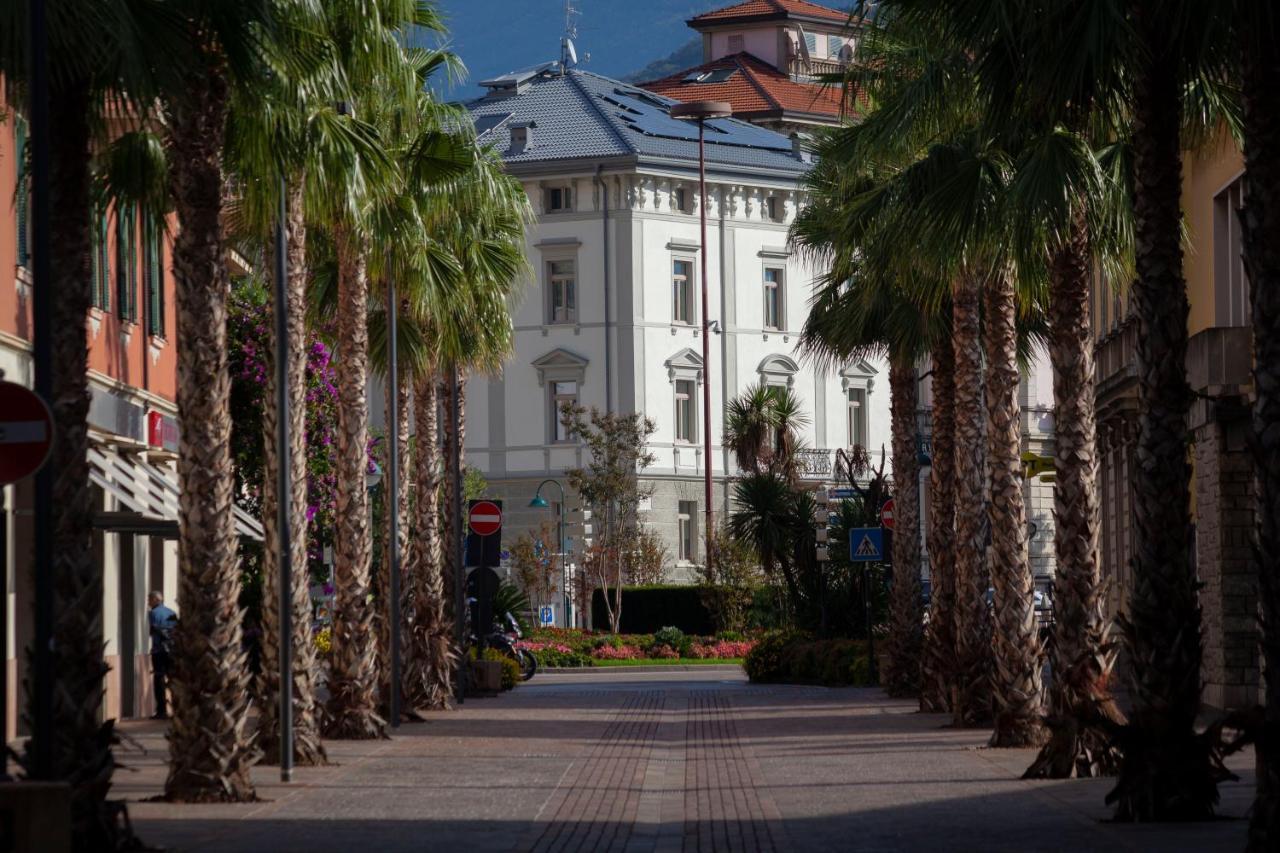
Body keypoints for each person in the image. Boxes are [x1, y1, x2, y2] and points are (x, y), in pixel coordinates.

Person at [147, 591, 177, 720]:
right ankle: (177, 708)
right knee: (173, 679)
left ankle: (161, 710)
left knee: (158, 679)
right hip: (172, 650)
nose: (148, 602)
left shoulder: (153, 613)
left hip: (159, 650)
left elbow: (153, 630)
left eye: (149, 599)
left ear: (155, 599)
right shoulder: (171, 612)